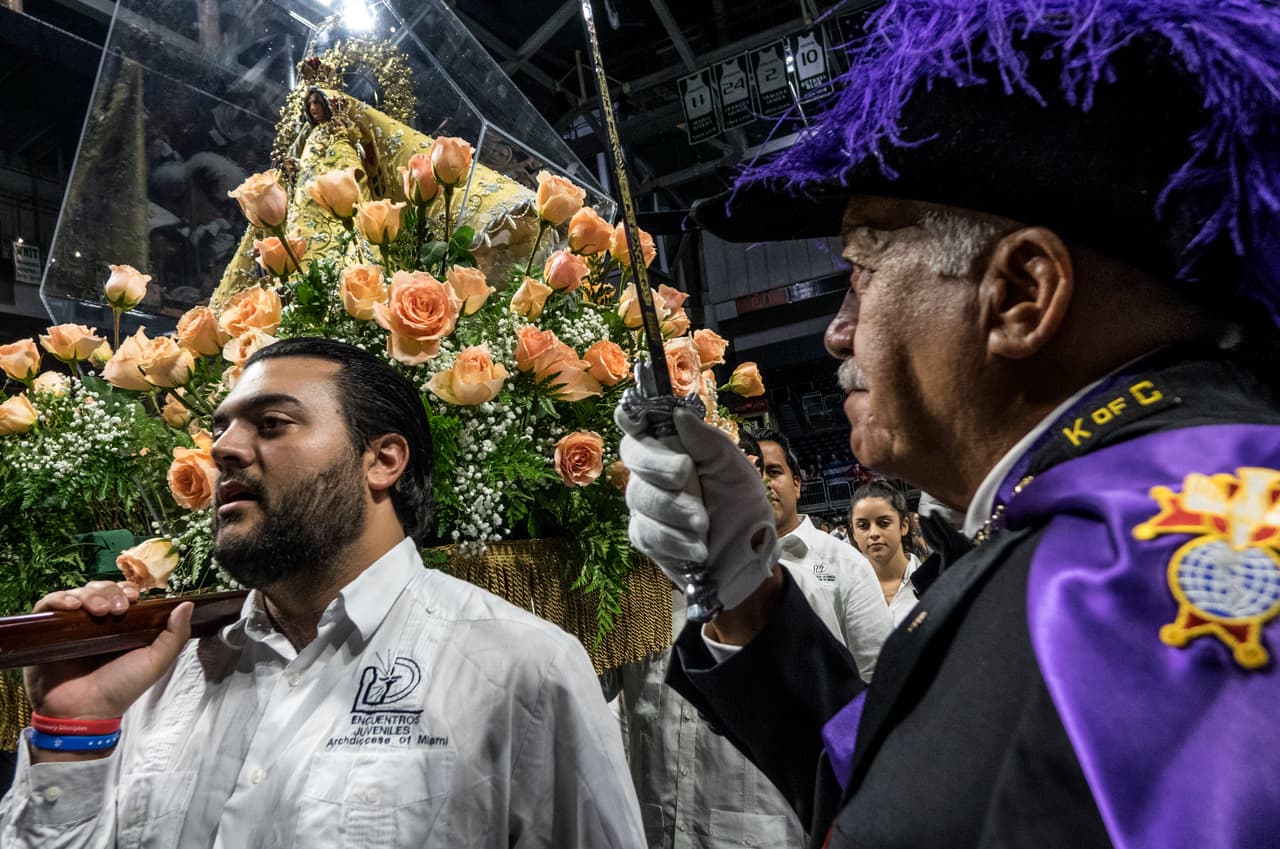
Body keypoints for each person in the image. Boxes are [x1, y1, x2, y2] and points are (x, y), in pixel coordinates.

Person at [616, 2, 1280, 848]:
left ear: (1020, 296)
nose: (838, 328)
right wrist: (750, 596)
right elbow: (917, 797)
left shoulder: (1168, 577)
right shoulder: (1102, 538)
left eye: (862, 268)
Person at [0, 337, 645, 848]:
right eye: (221, 428)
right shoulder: (159, 674)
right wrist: (75, 727)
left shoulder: (520, 669)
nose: (221, 449)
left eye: (272, 424)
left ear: (382, 460)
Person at [602, 431, 855, 849]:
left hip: (753, 831)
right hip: (656, 827)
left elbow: (839, 721)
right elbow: (597, 686)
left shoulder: (794, 590)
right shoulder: (630, 594)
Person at [751, 427, 891, 681]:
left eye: (773, 471)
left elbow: (877, 675)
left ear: (797, 485)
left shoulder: (847, 564)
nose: (763, 483)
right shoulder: (724, 567)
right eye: (752, 474)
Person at [848, 481, 923, 626]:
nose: (874, 533)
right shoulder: (844, 592)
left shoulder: (936, 583)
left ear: (904, 525)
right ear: (854, 533)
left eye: (884, 523)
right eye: (863, 526)